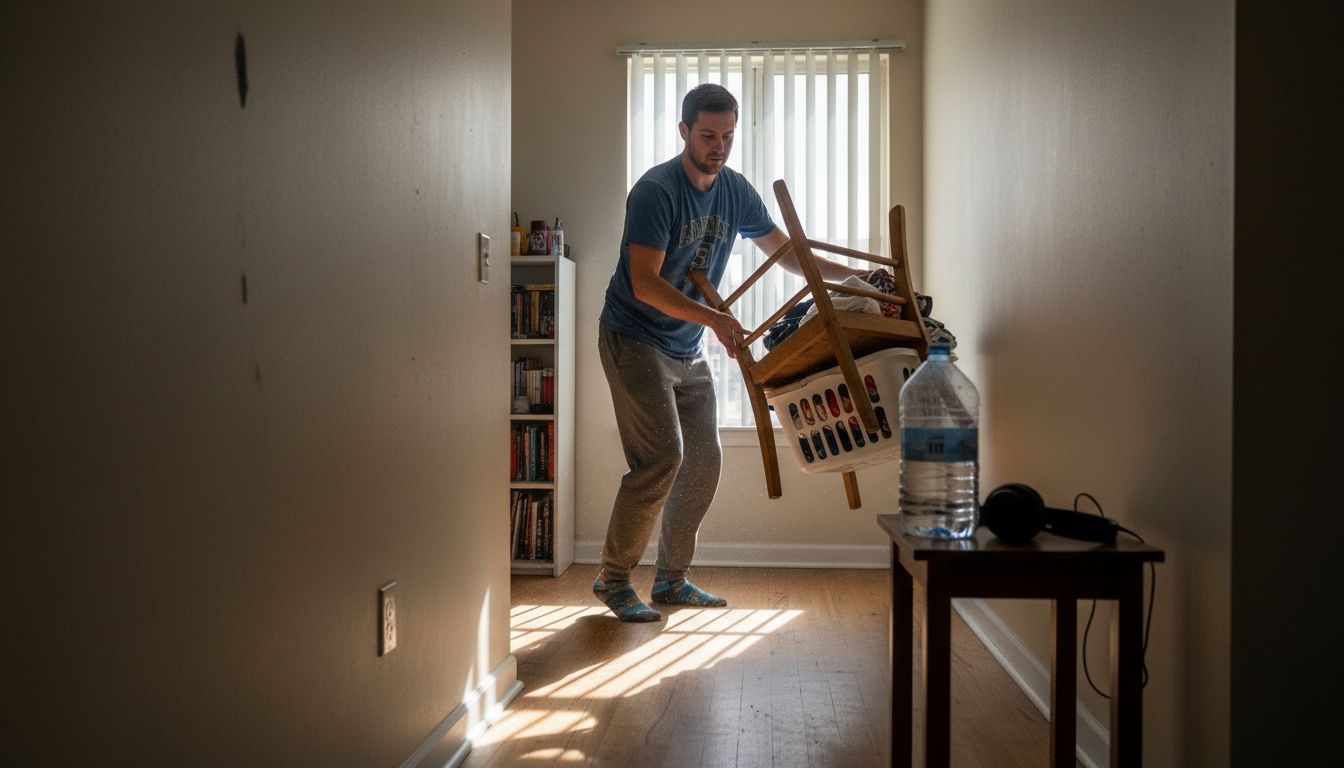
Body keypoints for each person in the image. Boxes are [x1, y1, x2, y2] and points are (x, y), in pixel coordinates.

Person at [595, 83, 870, 622]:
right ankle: (613, 578)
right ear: (684, 132)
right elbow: (645, 283)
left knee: (704, 461)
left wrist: (855, 278)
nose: (718, 146)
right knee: (661, 459)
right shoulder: (656, 191)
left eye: (727, 136)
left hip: (687, 343)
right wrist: (715, 320)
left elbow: (788, 253)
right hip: (634, 336)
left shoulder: (735, 191)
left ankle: (671, 580)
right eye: (707, 135)